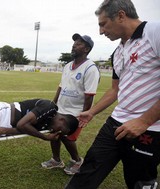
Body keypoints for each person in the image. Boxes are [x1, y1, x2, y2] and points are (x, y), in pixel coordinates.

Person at [65, 0, 160, 188]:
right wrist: (92, 112)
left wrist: (144, 121)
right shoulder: (117, 52)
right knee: (86, 174)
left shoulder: (155, 32)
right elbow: (115, 90)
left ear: (121, 15)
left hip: (150, 129)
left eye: (103, 24)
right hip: (115, 123)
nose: (101, 31)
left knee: (140, 183)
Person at [41, 34, 100, 175]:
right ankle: (56, 160)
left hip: (76, 112)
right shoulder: (68, 66)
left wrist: (83, 115)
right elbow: (61, 86)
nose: (74, 45)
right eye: (74, 43)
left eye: (79, 44)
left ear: (86, 49)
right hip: (61, 108)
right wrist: (53, 105)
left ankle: (77, 160)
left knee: (66, 135)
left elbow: (89, 95)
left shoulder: (90, 68)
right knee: (54, 130)